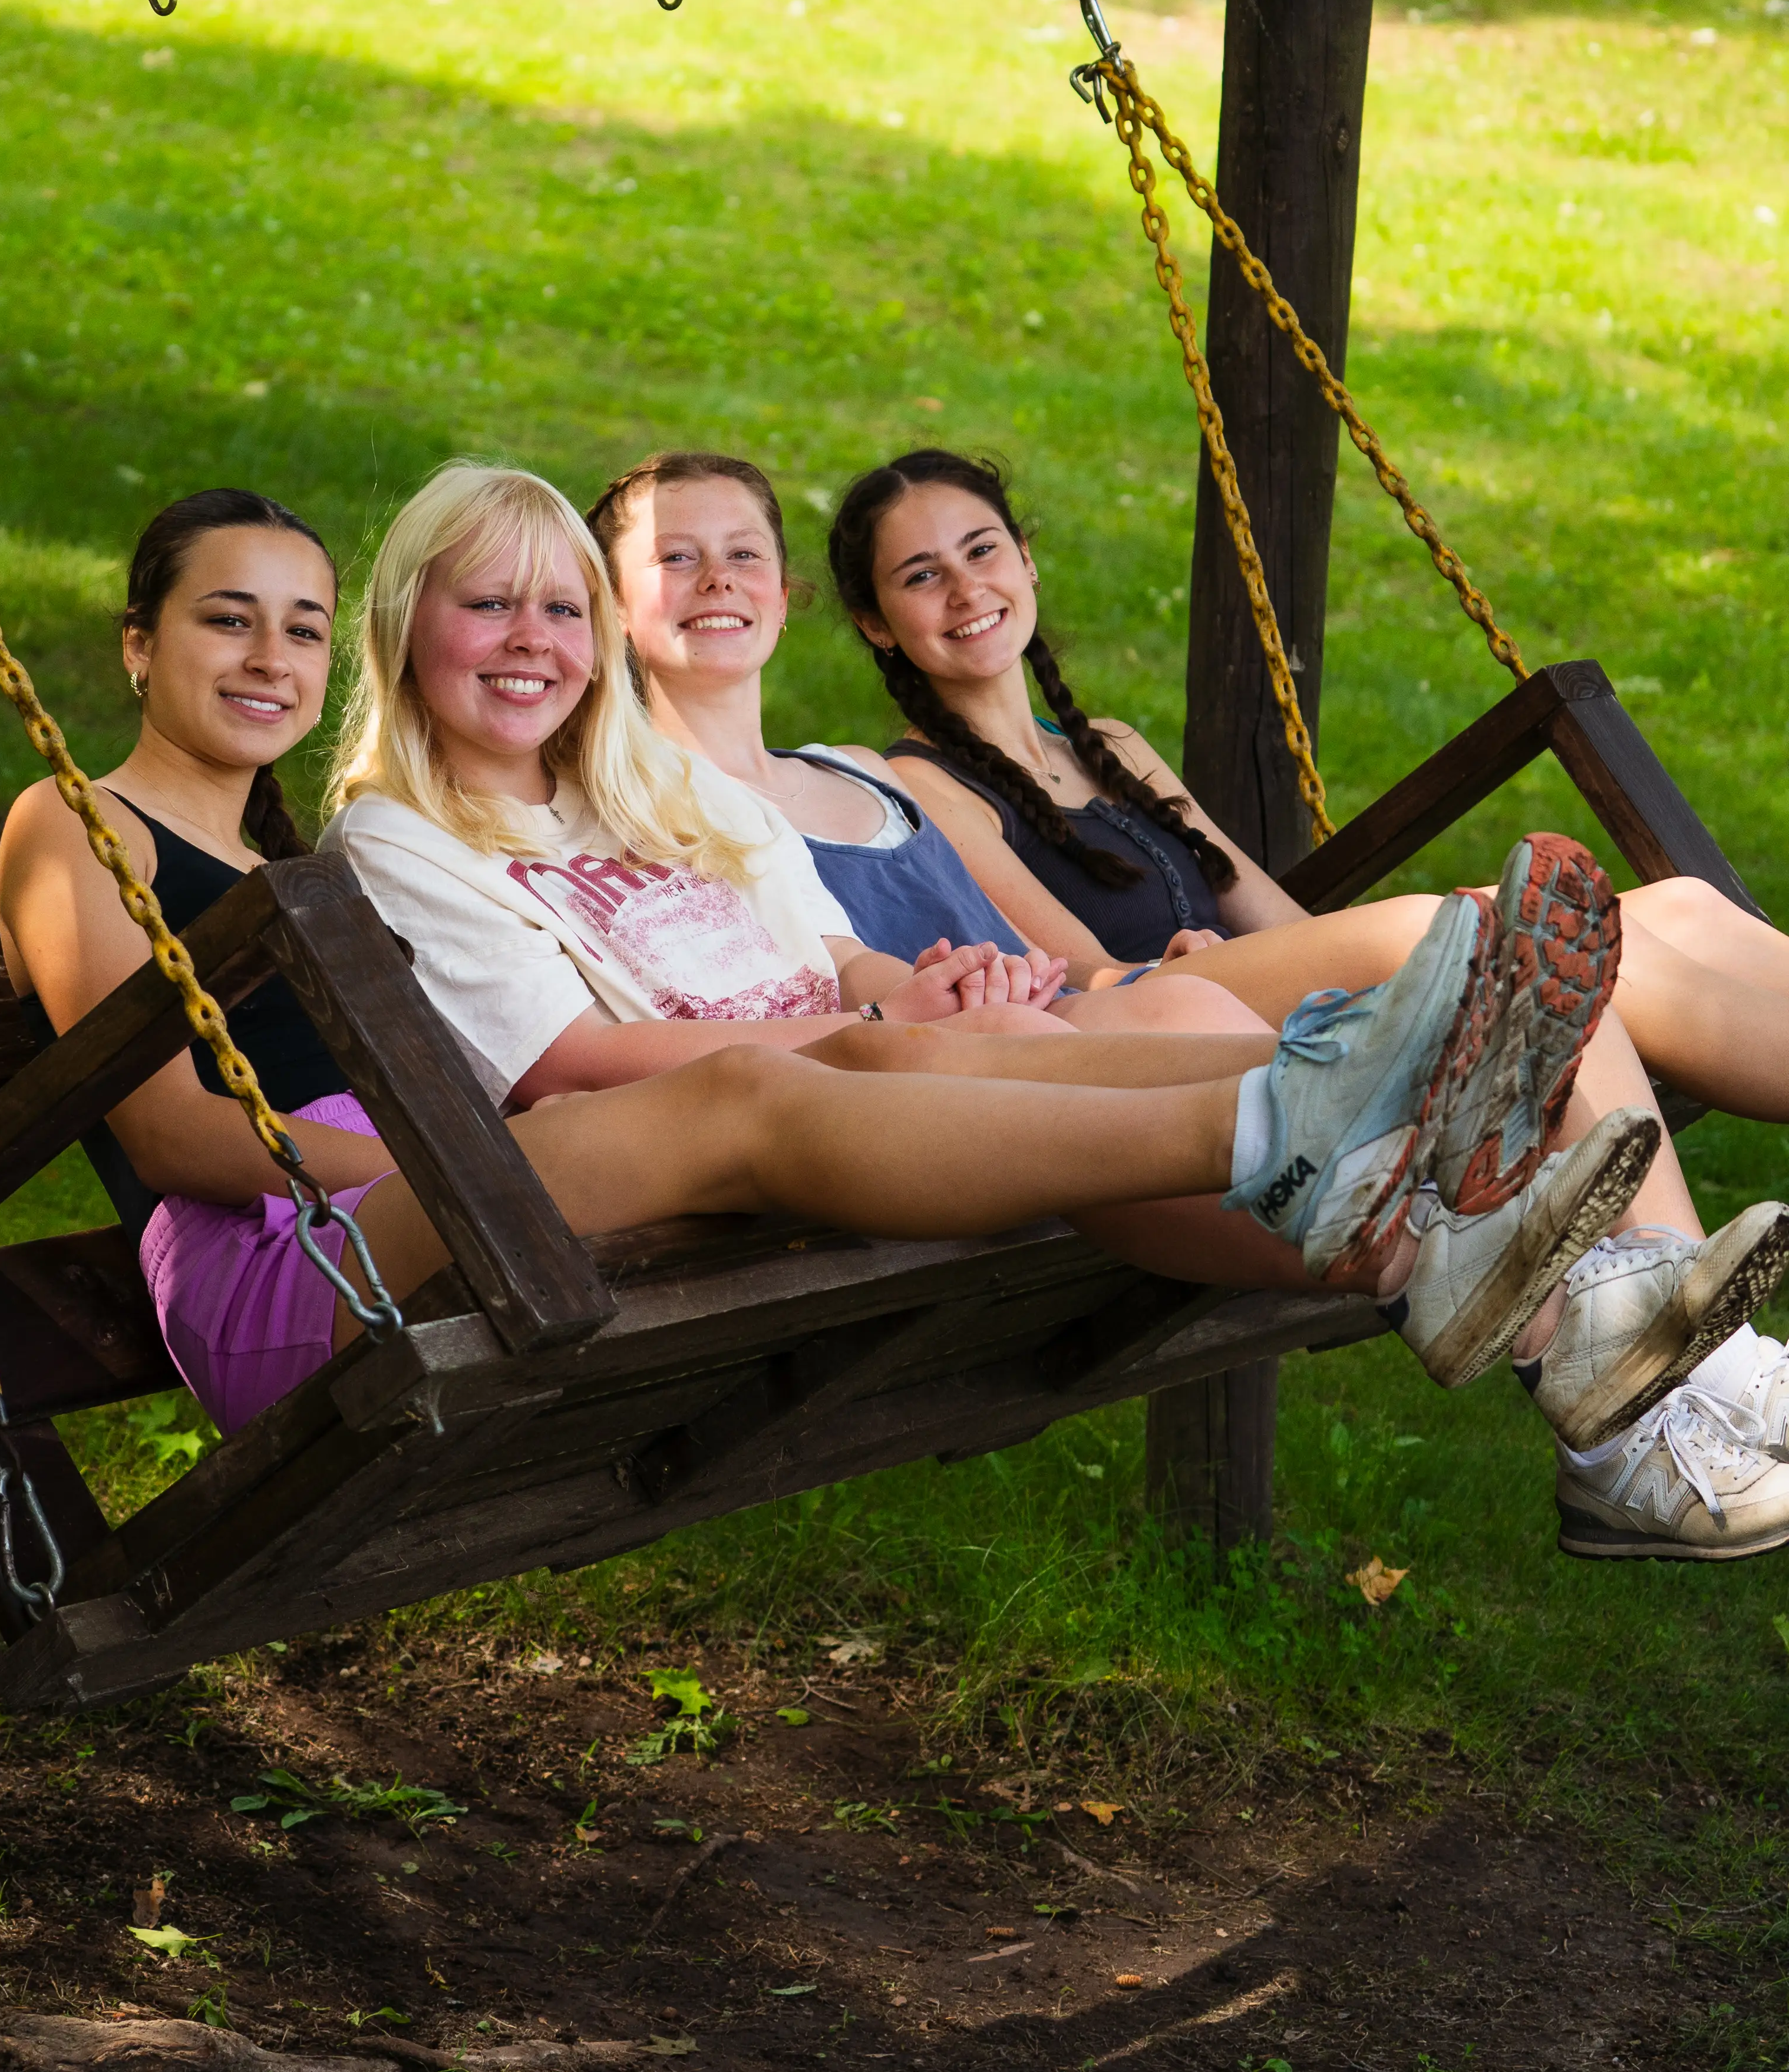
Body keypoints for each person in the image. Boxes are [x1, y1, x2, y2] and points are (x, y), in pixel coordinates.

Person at [321, 460, 1685, 1447]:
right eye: (484, 607)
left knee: (1148, 1024)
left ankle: (1472, 1255)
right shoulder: (400, 836)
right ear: (402, 629)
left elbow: (834, 955)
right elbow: (570, 1060)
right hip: (704, 1136)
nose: (529, 643)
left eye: (557, 611)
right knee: (1061, 1040)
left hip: (859, 1066)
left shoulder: (663, 793)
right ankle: (1392, 1141)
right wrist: (897, 1029)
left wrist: (920, 989)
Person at [813, 443, 1789, 1551]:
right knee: (1487, 930)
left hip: (1268, 988)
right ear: (879, 624)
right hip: (1170, 1026)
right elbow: (1078, 970)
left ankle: (1685, 1349)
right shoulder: (928, 781)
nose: (966, 588)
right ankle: (1709, 1360)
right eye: (921, 576)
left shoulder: (1112, 747)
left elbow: (1282, 924)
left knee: (1677, 913)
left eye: (981, 550)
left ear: (1027, 561)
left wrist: (1336, 964)